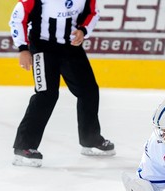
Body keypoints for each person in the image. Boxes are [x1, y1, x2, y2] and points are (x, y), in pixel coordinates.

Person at [8, 0, 115, 167]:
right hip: (42, 47)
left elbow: (93, 13)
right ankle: (24, 147)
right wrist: (23, 48)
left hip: (70, 48)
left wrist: (83, 30)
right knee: (46, 95)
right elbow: (18, 17)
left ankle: (90, 138)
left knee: (89, 90)